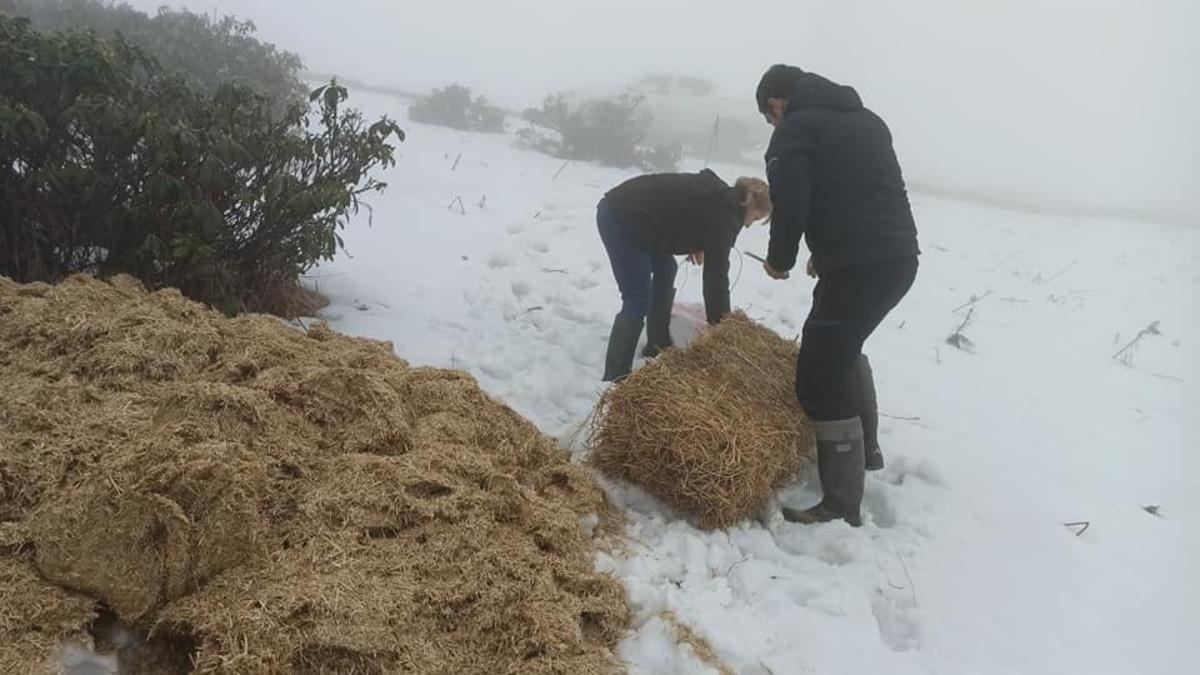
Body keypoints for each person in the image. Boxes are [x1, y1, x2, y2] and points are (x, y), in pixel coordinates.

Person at [756, 64, 920, 526]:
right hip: (898, 259)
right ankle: (866, 452)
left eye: (769, 119)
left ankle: (842, 503)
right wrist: (830, 252)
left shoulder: (795, 130)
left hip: (859, 267)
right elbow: (865, 194)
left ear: (775, 103)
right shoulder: (868, 121)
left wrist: (781, 260)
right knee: (844, 347)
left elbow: (791, 204)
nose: (773, 126)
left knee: (817, 377)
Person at [597, 170, 772, 381]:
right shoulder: (725, 217)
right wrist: (723, 329)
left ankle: (657, 344)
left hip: (639, 216)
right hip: (622, 217)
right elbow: (716, 278)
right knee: (637, 299)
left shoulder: (723, 198)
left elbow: (684, 211)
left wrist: (695, 240)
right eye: (757, 217)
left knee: (667, 268)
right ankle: (616, 376)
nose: (749, 224)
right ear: (750, 202)